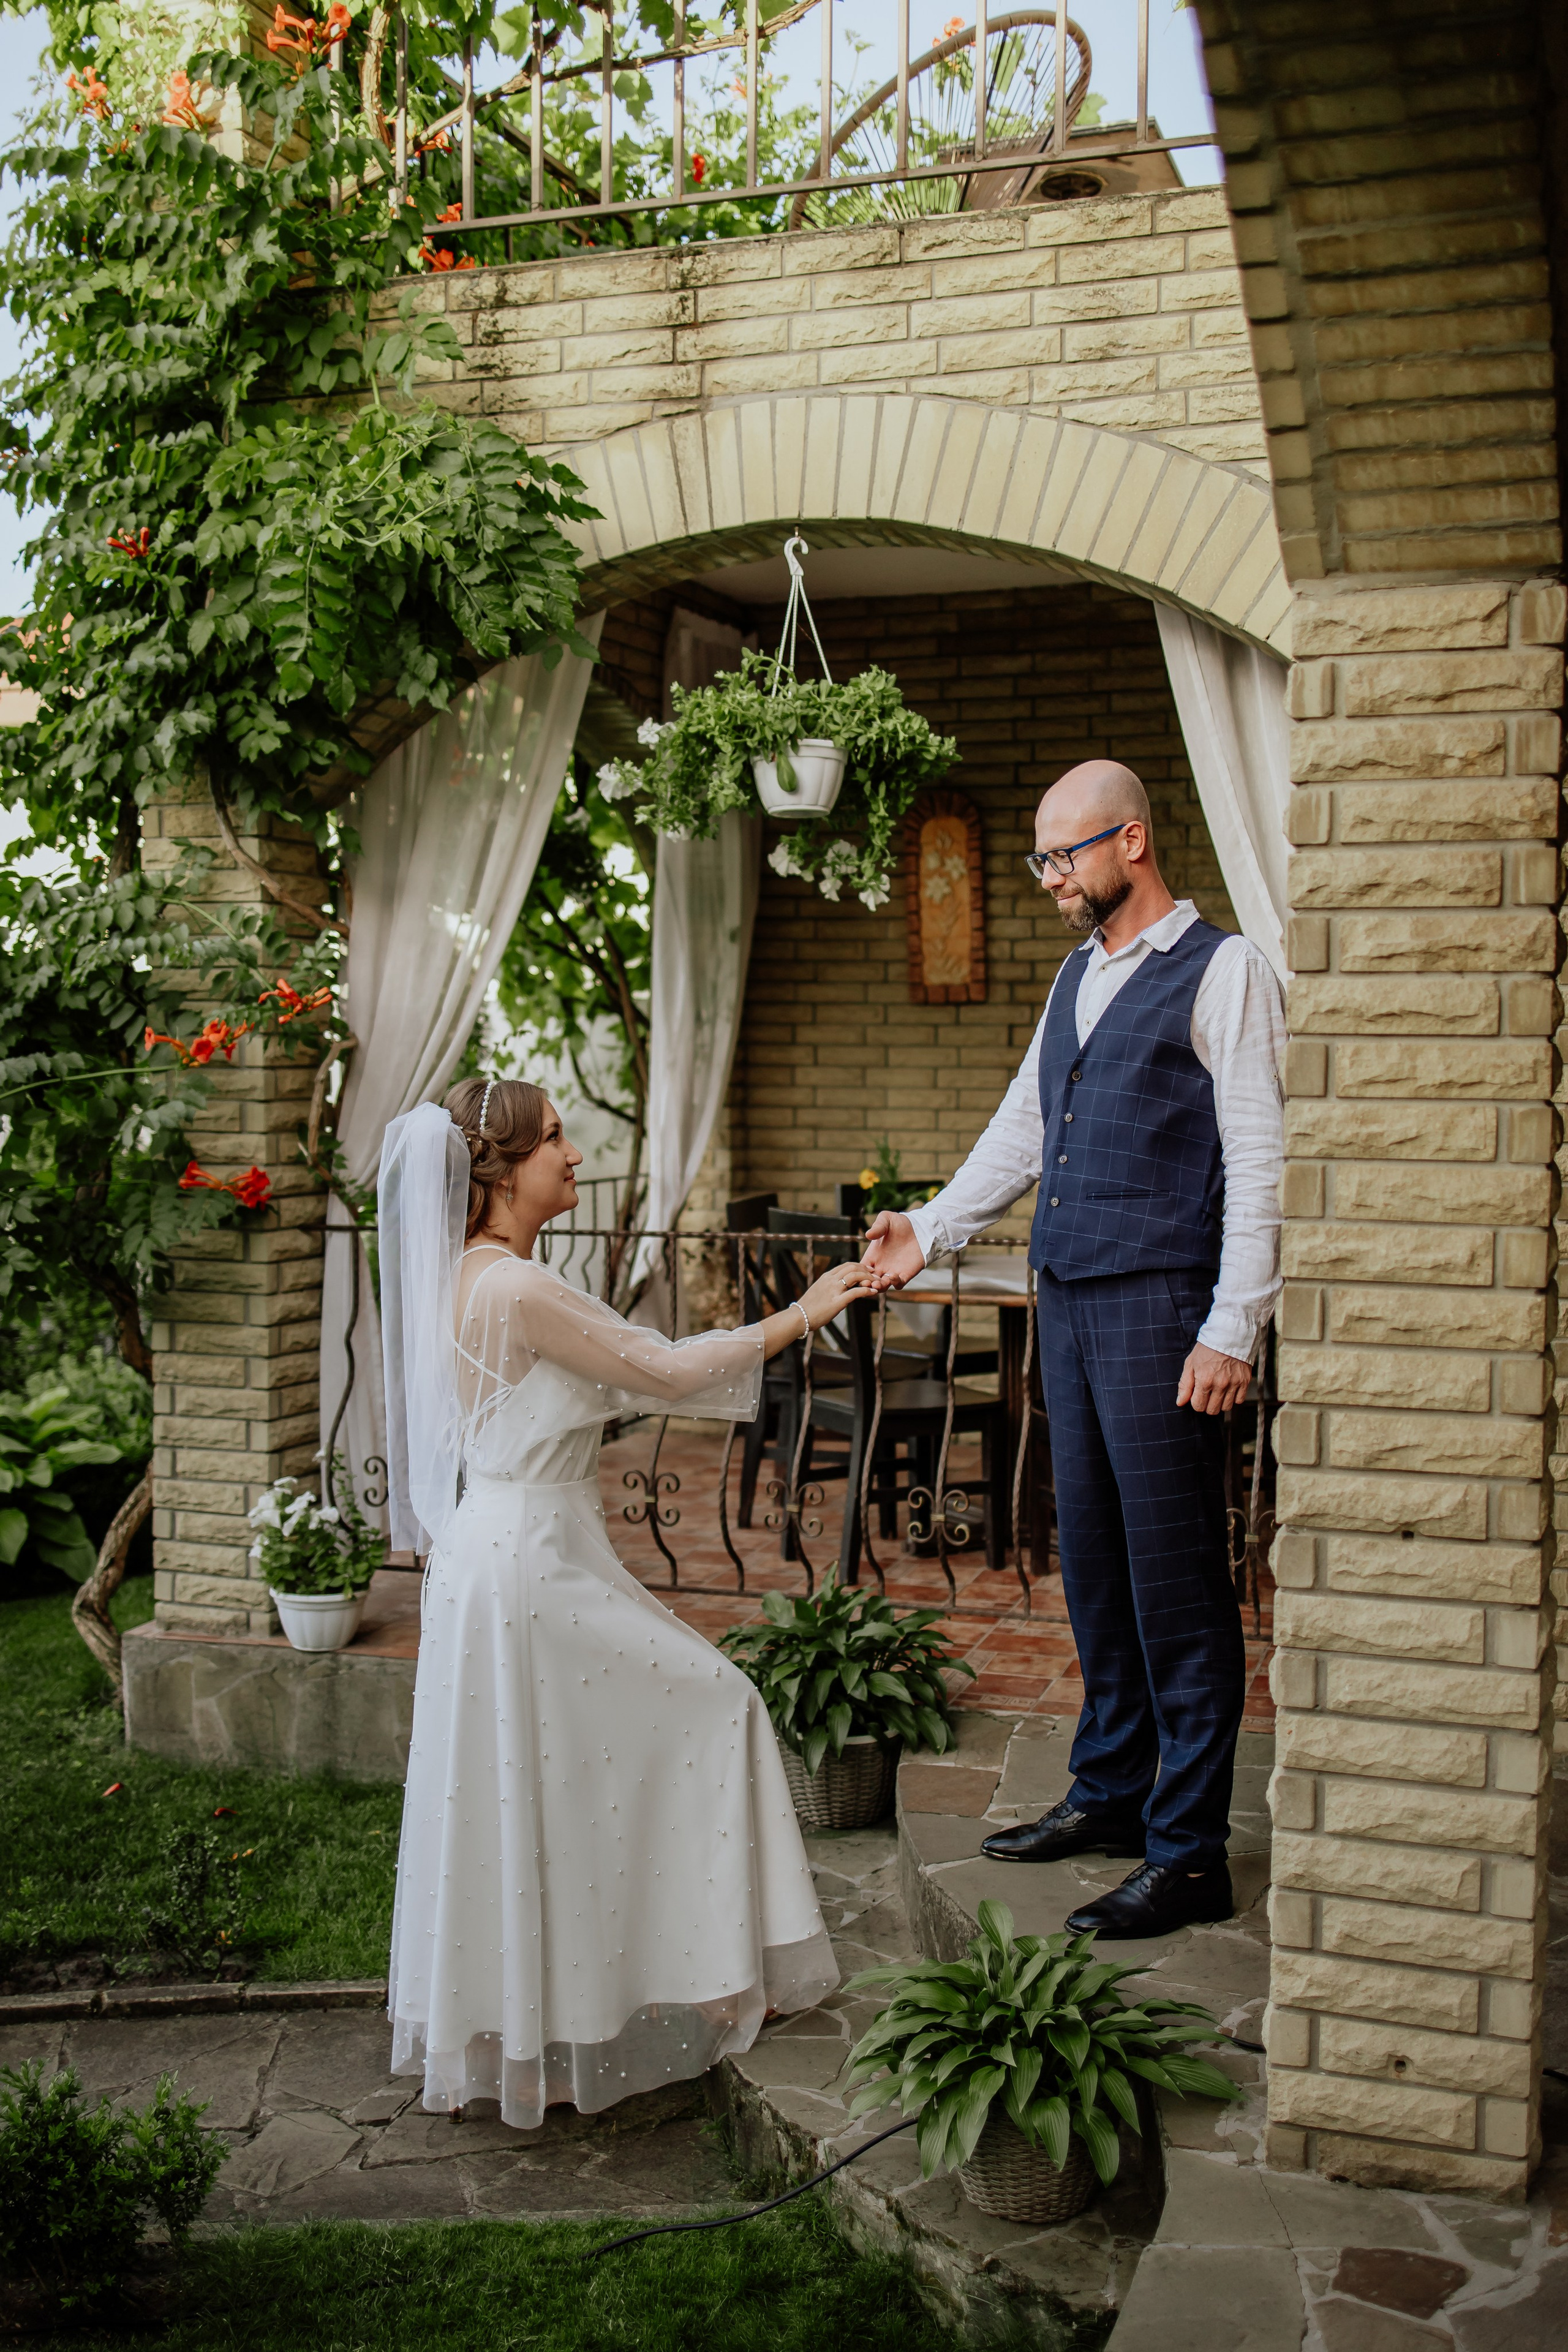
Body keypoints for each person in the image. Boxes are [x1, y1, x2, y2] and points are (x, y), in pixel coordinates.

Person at [379, 1077, 878, 2127]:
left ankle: (564, 2011)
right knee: (718, 1703)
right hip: (532, 1565)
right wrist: (805, 1312)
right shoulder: (517, 1291)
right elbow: (665, 1371)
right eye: (554, 1139)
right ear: (501, 1171)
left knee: (540, 1785)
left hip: (497, 1555)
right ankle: (715, 1977)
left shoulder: (468, 1280)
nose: (572, 1153)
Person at [863, 761, 1284, 1940]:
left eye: (1064, 856)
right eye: (1041, 859)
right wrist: (932, 1225)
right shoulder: (1076, 976)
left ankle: (1191, 1849)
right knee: (1094, 1564)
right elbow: (1026, 1127)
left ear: (1132, 842)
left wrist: (1232, 1323)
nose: (1050, 878)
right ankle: (1109, 1794)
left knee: (1179, 1583)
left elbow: (1260, 1158)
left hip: (1165, 1310)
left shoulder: (1226, 969)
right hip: (1074, 1304)